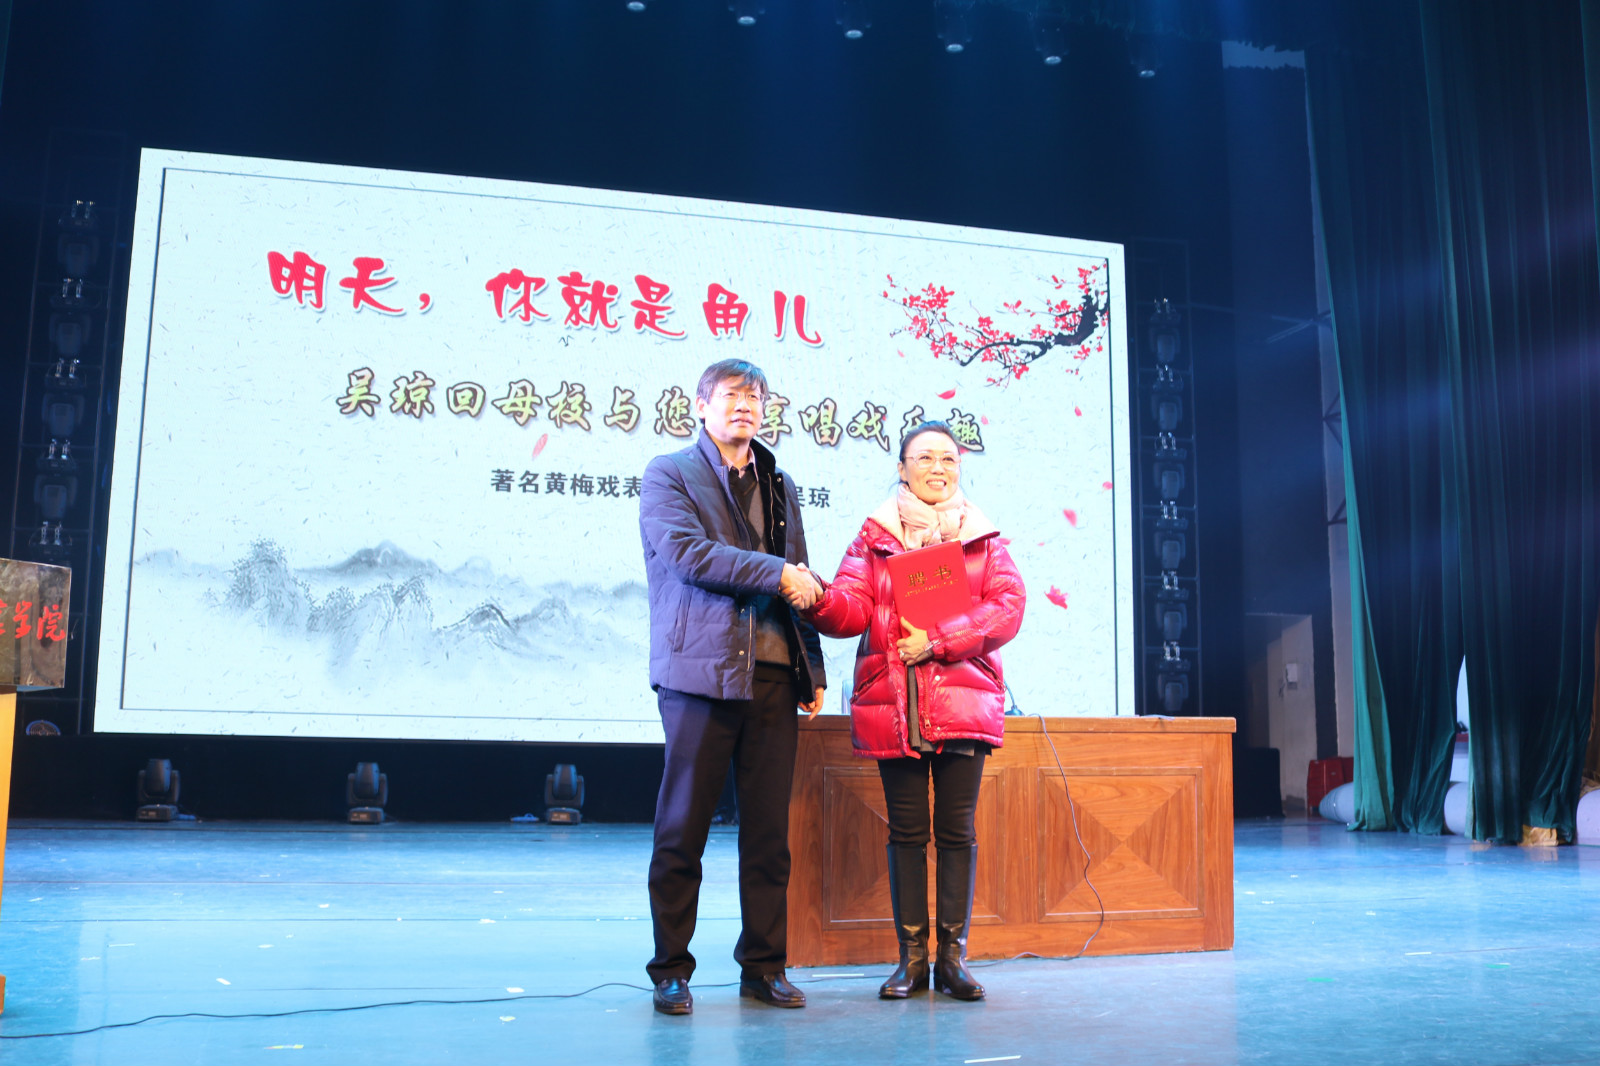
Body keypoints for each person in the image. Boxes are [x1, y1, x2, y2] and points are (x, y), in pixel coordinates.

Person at [805, 421, 1025, 1001]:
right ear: (901, 469)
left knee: (956, 832)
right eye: (924, 458)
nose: (937, 468)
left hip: (962, 700)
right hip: (893, 702)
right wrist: (818, 598)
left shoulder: (982, 538)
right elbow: (851, 610)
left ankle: (952, 960)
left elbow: (1008, 607)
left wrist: (939, 641)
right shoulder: (874, 537)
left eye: (948, 458)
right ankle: (911, 960)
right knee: (906, 833)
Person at [638, 358, 827, 1017]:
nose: (745, 405)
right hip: (700, 672)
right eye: (731, 395)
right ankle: (670, 970)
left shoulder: (779, 482)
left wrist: (812, 668)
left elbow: (800, 578)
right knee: (682, 827)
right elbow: (688, 555)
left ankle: (764, 968)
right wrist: (777, 574)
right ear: (700, 405)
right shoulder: (670, 473)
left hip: (773, 674)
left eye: (755, 397)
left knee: (769, 835)